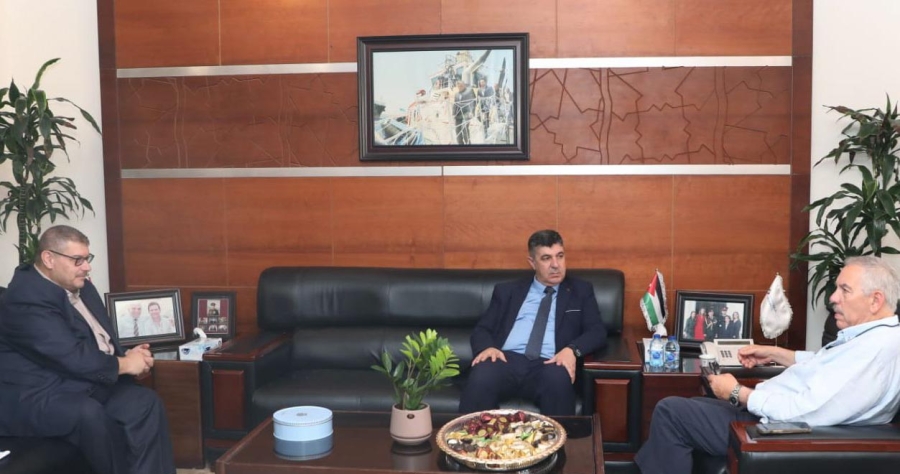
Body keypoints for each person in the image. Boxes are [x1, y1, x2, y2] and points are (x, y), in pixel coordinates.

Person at [635, 256, 900, 474]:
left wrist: (739, 392)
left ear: (875, 300)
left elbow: (809, 410)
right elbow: (821, 364)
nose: (833, 297)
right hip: (774, 416)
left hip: (779, 431)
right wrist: (773, 352)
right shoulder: (872, 338)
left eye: (845, 290)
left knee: (671, 412)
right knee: (693, 404)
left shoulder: (876, 350)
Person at [0, 225, 176, 474]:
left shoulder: (81, 286)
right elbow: (69, 355)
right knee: (89, 414)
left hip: (79, 382)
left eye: (87, 258)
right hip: (39, 394)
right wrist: (125, 364)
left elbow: (102, 338)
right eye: (77, 260)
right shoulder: (24, 299)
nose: (87, 267)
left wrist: (130, 356)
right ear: (49, 259)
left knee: (144, 403)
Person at [459, 230, 608, 416]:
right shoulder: (507, 291)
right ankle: (468, 434)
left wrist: (572, 350)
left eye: (560, 256)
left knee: (557, 378)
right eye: (546, 258)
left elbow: (597, 331)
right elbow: (482, 329)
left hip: (550, 363)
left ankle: (561, 436)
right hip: (506, 360)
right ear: (532, 262)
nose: (555, 265)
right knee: (483, 373)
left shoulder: (581, 291)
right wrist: (487, 348)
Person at [452, 80, 476, 145]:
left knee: (464, 128)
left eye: (461, 86)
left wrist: (472, 111)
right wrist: (453, 114)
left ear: (464, 85)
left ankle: (468, 144)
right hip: (458, 114)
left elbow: (473, 102)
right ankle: (460, 145)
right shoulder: (456, 94)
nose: (460, 87)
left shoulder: (470, 91)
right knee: (457, 130)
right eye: (458, 86)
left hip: (467, 113)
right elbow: (455, 105)